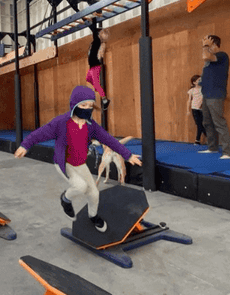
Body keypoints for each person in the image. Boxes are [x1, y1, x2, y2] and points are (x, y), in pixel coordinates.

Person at [14, 85, 142, 232]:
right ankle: (65, 199)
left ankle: (93, 216)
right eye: (83, 105)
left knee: (94, 193)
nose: (87, 108)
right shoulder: (61, 123)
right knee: (80, 186)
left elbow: (109, 140)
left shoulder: (91, 126)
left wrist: (128, 154)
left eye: (90, 105)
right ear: (74, 105)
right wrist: (25, 145)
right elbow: (40, 133)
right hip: (65, 163)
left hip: (80, 164)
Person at [199, 35, 230, 159]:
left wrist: (205, 46)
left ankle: (228, 152)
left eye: (210, 44)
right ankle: (212, 147)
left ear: (215, 45)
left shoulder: (222, 55)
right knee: (207, 122)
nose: (207, 48)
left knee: (219, 122)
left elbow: (205, 56)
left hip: (216, 94)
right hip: (206, 94)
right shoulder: (210, 61)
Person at [86, 24, 110, 110]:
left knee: (96, 83)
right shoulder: (94, 42)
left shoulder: (97, 40)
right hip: (92, 66)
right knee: (88, 78)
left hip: (95, 66)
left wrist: (93, 20)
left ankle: (105, 101)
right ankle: (98, 88)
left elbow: (93, 29)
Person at [187, 75, 206, 145]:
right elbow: (189, 100)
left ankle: (198, 139)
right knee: (199, 124)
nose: (200, 81)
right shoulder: (191, 90)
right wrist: (187, 110)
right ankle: (199, 139)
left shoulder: (203, 89)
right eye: (198, 80)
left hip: (202, 109)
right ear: (194, 82)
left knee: (203, 124)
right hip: (194, 108)